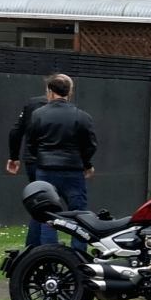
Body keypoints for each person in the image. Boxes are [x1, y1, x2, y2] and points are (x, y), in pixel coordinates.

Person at [25, 74, 97, 250]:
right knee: (79, 213)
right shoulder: (82, 116)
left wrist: (40, 157)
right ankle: (79, 254)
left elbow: (31, 143)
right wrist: (86, 163)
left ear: (50, 92)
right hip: (73, 169)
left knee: (47, 213)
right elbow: (90, 145)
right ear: (69, 92)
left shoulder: (38, 114)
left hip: (46, 169)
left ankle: (49, 252)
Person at [6, 88, 48, 247]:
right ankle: (42, 246)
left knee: (39, 204)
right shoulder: (69, 109)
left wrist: (14, 156)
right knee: (48, 206)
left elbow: (16, 131)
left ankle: (33, 247)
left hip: (32, 159)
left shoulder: (32, 105)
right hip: (54, 162)